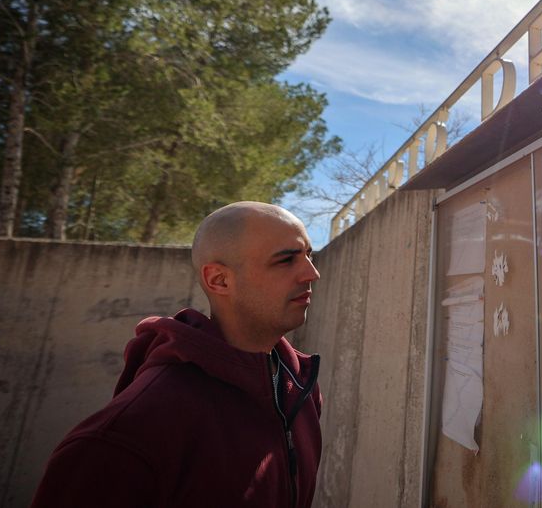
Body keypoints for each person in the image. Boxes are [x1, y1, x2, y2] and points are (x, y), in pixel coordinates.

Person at [31, 201, 323, 508]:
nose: (311, 273)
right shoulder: (128, 434)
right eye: (286, 260)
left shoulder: (300, 388)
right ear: (219, 280)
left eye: (308, 255)